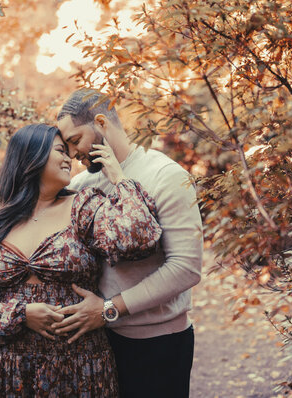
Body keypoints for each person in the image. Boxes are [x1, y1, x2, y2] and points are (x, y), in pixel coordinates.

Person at [0, 123, 163, 397]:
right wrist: (22, 315)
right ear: (31, 156)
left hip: (81, 365)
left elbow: (138, 238)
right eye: (60, 150)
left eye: (68, 151)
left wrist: (119, 178)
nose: (69, 158)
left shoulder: (83, 207)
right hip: (13, 370)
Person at [52, 89, 204, 398]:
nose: (72, 154)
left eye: (75, 140)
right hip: (99, 344)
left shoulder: (166, 176)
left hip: (159, 345)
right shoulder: (83, 184)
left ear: (100, 122)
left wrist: (109, 309)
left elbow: (186, 269)